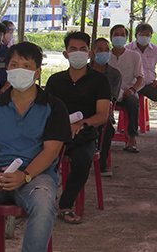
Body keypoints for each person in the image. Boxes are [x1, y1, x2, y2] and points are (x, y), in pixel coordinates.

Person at [0, 41, 71, 252]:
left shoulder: (54, 106)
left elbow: (51, 151)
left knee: (44, 205)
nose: (19, 69)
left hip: (36, 177)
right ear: (7, 69)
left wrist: (25, 175)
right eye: (14, 64)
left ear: (37, 72)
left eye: (26, 66)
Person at [46, 32, 110, 224]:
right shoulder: (55, 81)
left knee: (82, 160)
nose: (78, 53)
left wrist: (82, 124)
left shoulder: (99, 81)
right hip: (57, 134)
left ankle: (65, 205)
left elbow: (102, 115)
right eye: (73, 49)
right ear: (66, 54)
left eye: (82, 49)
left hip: (85, 134)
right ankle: (36, 199)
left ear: (89, 53)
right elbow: (46, 110)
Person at [125, 23, 157, 136]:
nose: (145, 37)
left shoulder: (155, 50)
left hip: (149, 85)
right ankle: (131, 128)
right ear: (136, 35)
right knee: (130, 101)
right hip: (132, 85)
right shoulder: (128, 49)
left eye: (147, 35)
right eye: (142, 35)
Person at [108, 24, 144, 152]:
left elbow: (140, 78)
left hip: (128, 92)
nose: (119, 37)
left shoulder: (134, 56)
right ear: (111, 37)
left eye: (122, 35)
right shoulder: (105, 56)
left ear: (126, 38)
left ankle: (132, 137)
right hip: (109, 93)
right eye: (116, 35)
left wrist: (133, 90)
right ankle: (105, 134)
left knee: (133, 103)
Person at [90, 37, 122, 177]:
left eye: (106, 50)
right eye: (100, 50)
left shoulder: (115, 74)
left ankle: (101, 164)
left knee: (107, 129)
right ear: (92, 53)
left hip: (103, 111)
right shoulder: (83, 70)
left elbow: (111, 98)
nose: (103, 53)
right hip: (80, 111)